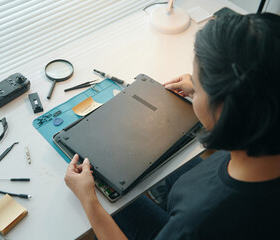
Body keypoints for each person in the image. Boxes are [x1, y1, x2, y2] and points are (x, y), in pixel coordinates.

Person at [65, 12, 280, 239]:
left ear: (226, 109)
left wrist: (89, 201)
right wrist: (203, 88)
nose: (194, 87)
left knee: (115, 204)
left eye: (198, 83)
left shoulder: (193, 225)